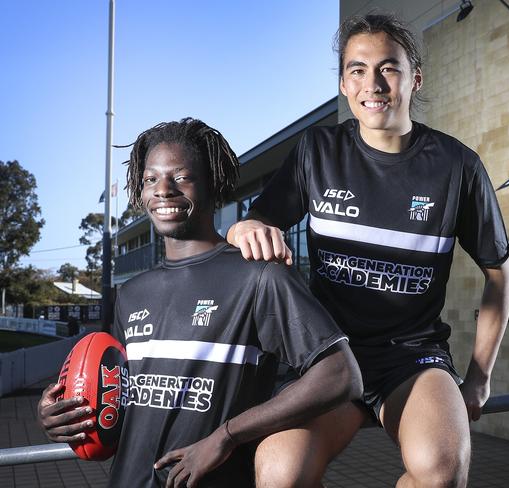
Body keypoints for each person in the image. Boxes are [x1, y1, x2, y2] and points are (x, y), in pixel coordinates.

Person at [228, 13, 509, 488]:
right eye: (357, 69)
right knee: (280, 474)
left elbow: (500, 274)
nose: (373, 82)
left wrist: (479, 377)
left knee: (442, 473)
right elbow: (254, 223)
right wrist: (245, 230)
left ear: (414, 77)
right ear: (343, 83)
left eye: (389, 67)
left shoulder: (456, 166)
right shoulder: (316, 151)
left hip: (411, 358)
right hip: (327, 357)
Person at [38, 118, 362, 487]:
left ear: (212, 184)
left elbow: (340, 375)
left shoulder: (258, 277)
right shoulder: (131, 295)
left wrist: (228, 434)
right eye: (150, 179)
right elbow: (115, 394)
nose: (162, 190)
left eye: (180, 177)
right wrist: (61, 413)